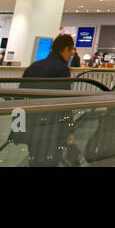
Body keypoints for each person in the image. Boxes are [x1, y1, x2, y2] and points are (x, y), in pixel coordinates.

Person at [20, 34, 77, 166]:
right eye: (71, 50)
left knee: (34, 158)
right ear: (65, 49)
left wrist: (19, 125)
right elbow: (63, 101)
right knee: (51, 159)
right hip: (51, 126)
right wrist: (68, 128)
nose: (71, 54)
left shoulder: (34, 66)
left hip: (32, 123)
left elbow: (21, 96)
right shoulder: (62, 69)